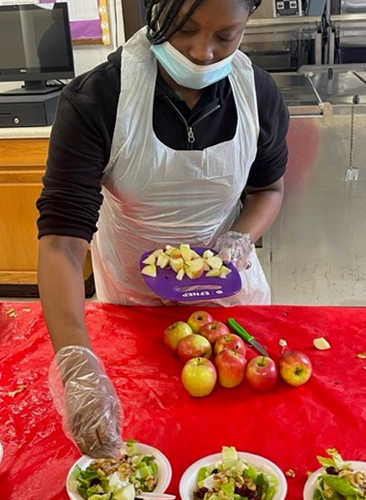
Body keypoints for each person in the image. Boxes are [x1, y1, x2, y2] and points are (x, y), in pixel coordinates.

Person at [37, 0, 290, 458]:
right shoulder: (98, 99)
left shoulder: (259, 95)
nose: (203, 53)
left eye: (225, 37)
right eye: (185, 29)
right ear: (155, 10)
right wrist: (77, 368)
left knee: (240, 442)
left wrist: (241, 236)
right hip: (131, 302)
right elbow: (61, 243)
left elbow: (268, 190)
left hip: (226, 300)